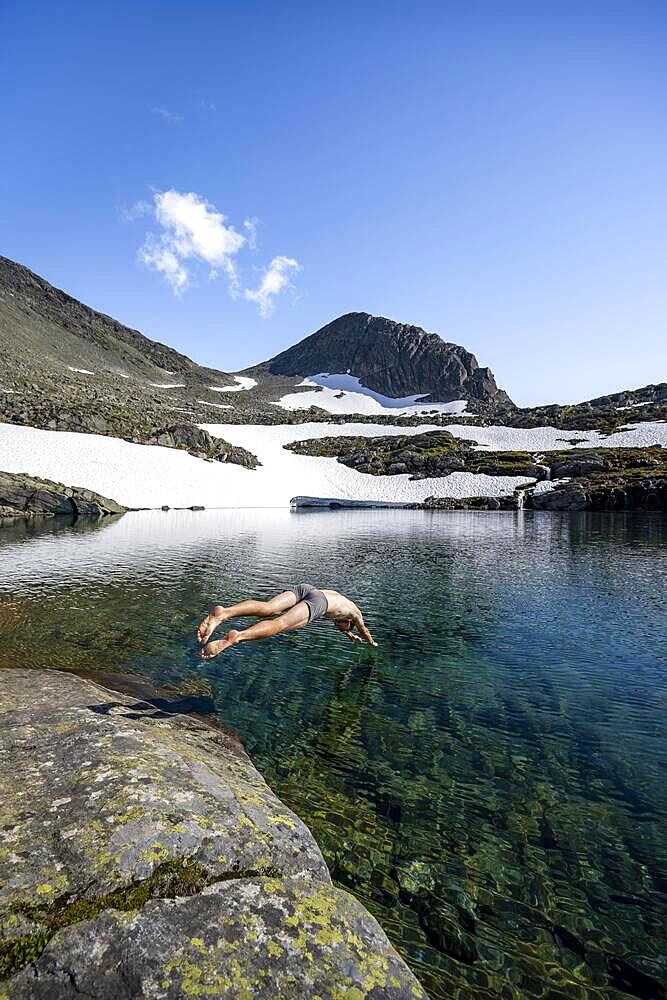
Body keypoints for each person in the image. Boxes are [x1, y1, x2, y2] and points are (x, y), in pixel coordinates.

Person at [197, 584, 377, 659]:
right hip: (319, 602)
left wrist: (349, 635)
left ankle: (224, 613)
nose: (337, 626)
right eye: (340, 625)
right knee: (280, 624)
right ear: (348, 621)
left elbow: (346, 627)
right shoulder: (355, 614)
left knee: (269, 607)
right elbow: (365, 629)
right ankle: (237, 637)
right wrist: (371, 642)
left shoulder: (344, 604)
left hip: (307, 589)